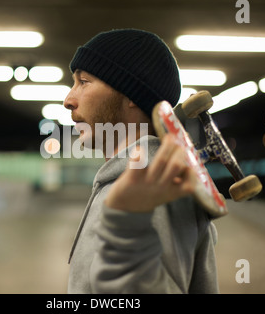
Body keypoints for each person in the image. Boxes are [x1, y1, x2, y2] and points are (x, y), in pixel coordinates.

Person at [63, 29, 219, 294]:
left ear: (132, 94)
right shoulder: (132, 183)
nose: (68, 100)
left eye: (84, 81)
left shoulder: (152, 194)